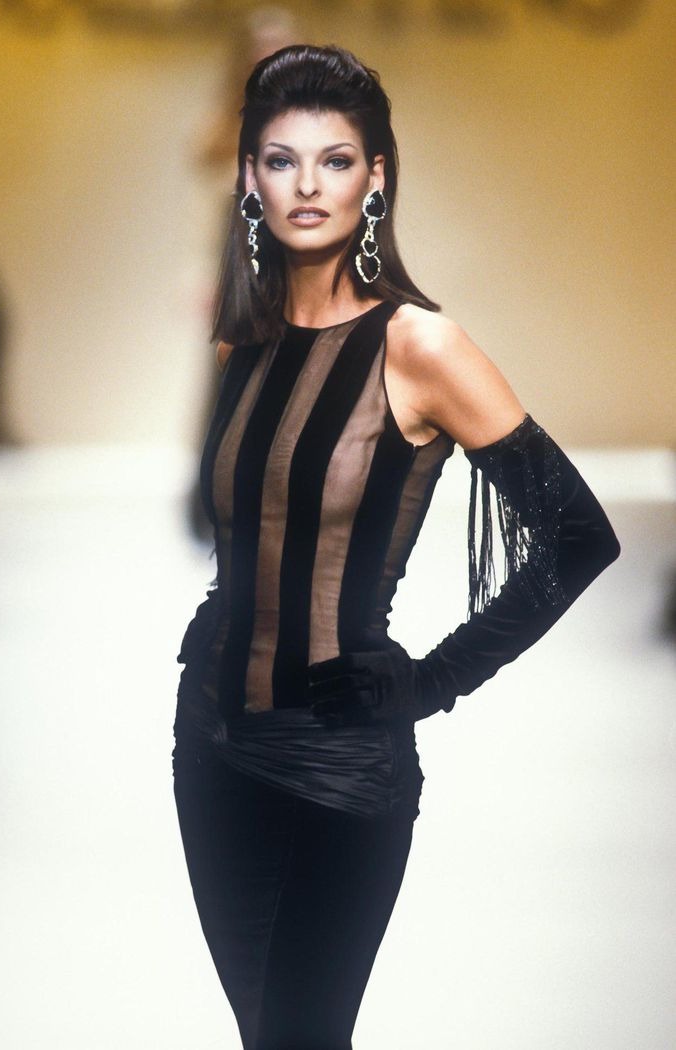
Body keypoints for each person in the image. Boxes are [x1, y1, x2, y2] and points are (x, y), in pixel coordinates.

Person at [171, 44, 620, 1050]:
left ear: (374, 177)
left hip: (341, 762)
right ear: (248, 177)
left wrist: (431, 681)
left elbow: (578, 535)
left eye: (335, 160)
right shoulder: (243, 342)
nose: (307, 185)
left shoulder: (419, 346)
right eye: (281, 160)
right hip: (208, 746)